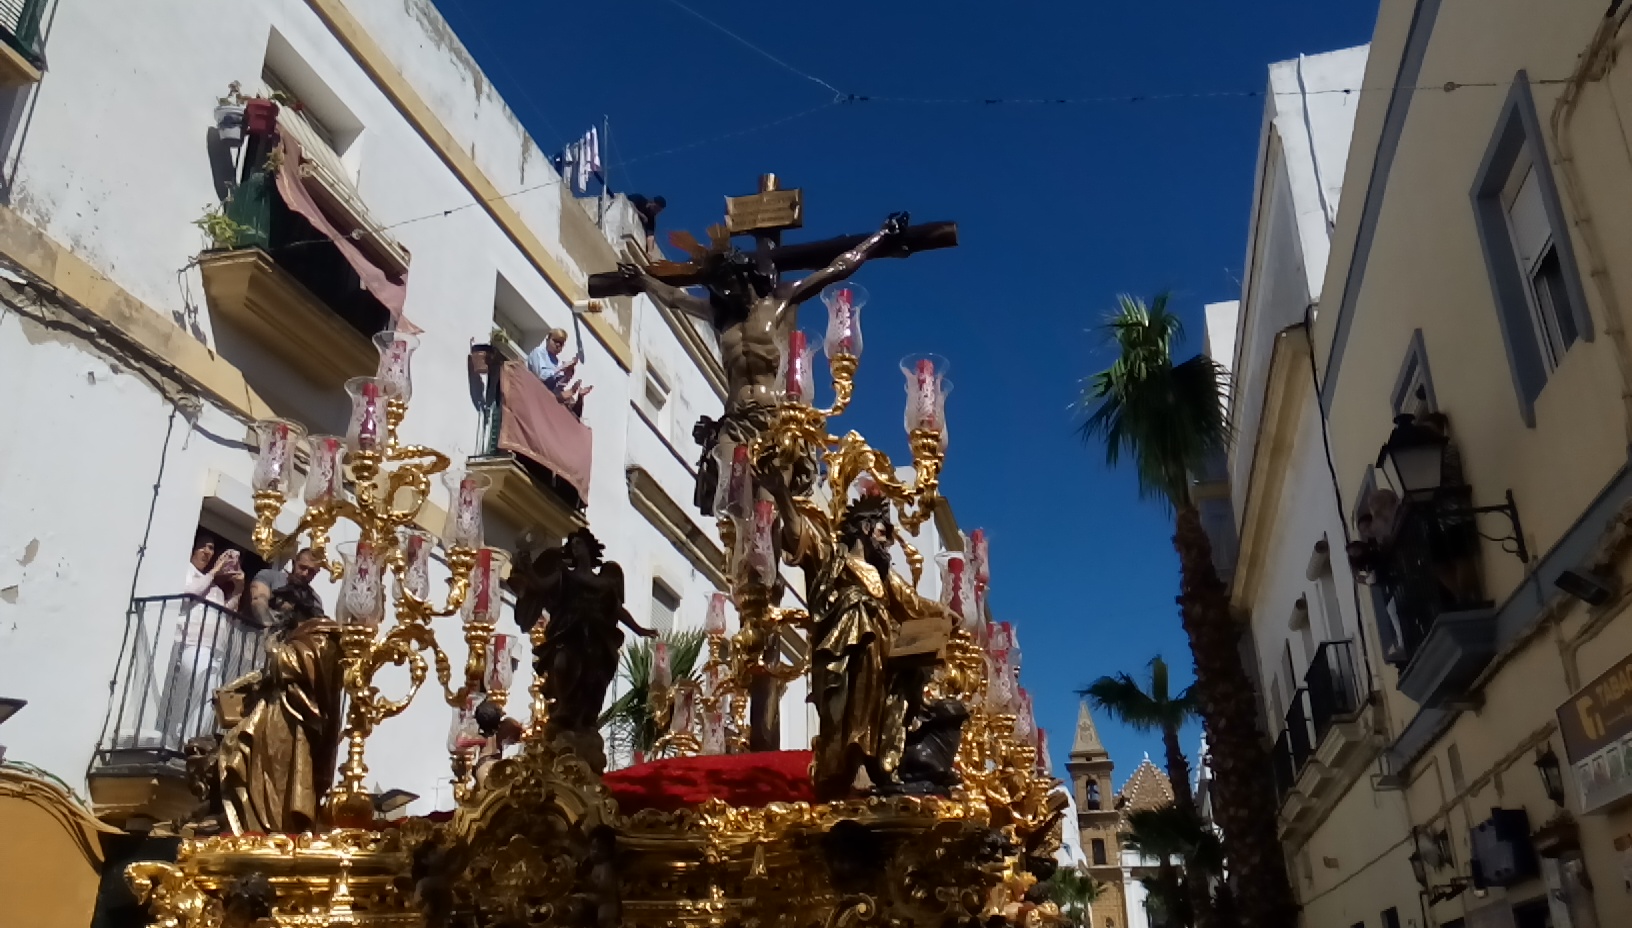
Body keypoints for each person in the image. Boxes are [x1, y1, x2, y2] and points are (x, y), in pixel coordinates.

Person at [161, 532, 246, 745]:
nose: (208, 552)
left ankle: (190, 739)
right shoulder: (187, 573)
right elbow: (188, 593)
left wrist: (238, 590)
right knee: (203, 681)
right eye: (203, 547)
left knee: (209, 698)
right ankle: (183, 736)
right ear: (192, 549)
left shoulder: (215, 589)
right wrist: (214, 572)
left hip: (213, 649)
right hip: (190, 644)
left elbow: (226, 617)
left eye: (211, 548)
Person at [249, 548, 324, 637]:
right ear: (293, 563)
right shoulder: (270, 577)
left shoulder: (315, 600)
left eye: (311, 572)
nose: (305, 574)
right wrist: (270, 630)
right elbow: (258, 601)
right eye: (302, 567)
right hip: (260, 639)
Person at [526, 327, 594, 415]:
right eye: (555, 341)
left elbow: (557, 387)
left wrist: (568, 373)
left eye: (561, 343)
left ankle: (577, 395)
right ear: (548, 339)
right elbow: (542, 375)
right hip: (532, 391)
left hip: (545, 398)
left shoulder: (558, 362)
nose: (558, 345)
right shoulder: (538, 352)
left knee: (567, 401)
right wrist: (562, 368)